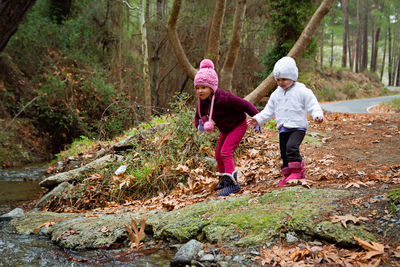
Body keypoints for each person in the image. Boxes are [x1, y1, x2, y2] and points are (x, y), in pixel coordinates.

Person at [248, 56, 324, 186]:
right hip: (283, 127)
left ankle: (297, 171)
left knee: (291, 147)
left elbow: (313, 104)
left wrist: (317, 115)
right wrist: (258, 119)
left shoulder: (302, 91)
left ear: (293, 76)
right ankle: (288, 175)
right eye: (278, 80)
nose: (280, 82)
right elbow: (268, 111)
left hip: (298, 127)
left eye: (284, 79)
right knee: (284, 152)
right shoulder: (276, 94)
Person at [194, 59, 260, 196]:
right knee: (218, 154)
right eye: (198, 87)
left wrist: (258, 118)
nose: (200, 91)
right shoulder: (202, 101)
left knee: (225, 152)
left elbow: (244, 104)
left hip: (238, 124)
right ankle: (224, 179)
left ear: (212, 87)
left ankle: (233, 184)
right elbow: (198, 115)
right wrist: (198, 124)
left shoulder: (225, 98)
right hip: (225, 129)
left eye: (203, 87)